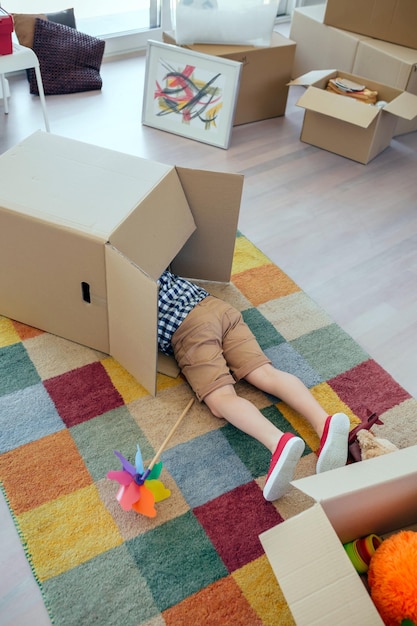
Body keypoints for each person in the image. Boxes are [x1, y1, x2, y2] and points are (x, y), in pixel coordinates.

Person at [158, 269, 350, 501]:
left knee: (220, 399)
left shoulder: (117, 290)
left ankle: (277, 441)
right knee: (265, 373)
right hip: (219, 309)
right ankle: (323, 421)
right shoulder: (143, 249)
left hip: (188, 328)